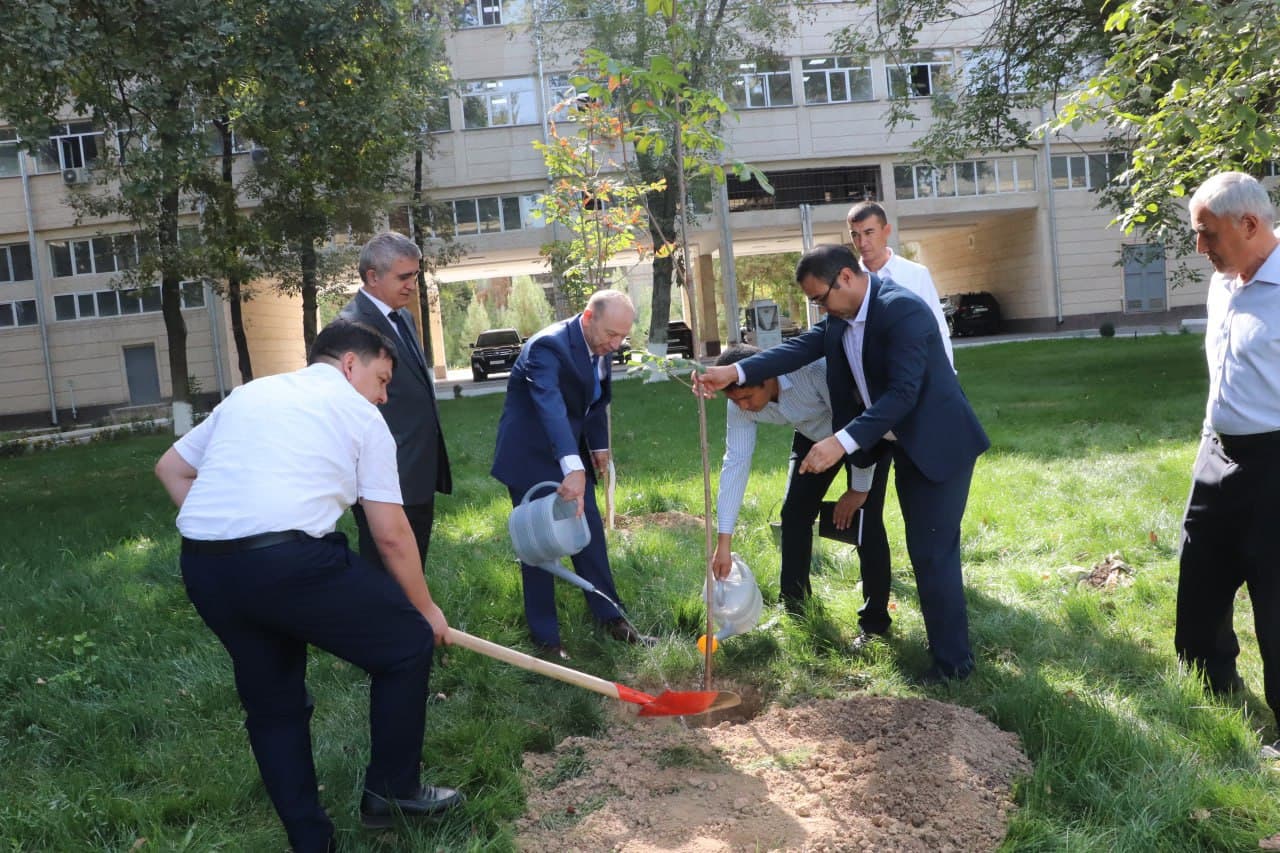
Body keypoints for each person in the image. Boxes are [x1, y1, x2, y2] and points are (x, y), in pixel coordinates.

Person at [154, 320, 463, 853]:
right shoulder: (361, 415)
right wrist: (426, 610)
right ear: (349, 364)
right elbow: (390, 535)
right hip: (291, 563)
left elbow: (170, 469)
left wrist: (231, 526)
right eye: (383, 379)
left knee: (274, 706)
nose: (384, 396)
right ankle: (392, 792)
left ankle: (310, 841)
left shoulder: (251, 394)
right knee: (406, 644)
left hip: (207, 567)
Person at [696, 244, 989, 682]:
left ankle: (953, 666)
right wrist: (733, 374)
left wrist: (841, 443)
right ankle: (947, 653)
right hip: (894, 441)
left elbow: (903, 394)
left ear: (847, 278)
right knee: (924, 550)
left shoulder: (902, 311)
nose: (819, 307)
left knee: (932, 552)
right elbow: (794, 351)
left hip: (936, 443)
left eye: (820, 297)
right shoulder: (840, 320)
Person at [1174, 171, 1280, 754]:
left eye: (1207, 234)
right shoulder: (1224, 283)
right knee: (1199, 587)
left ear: (1249, 223)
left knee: (1276, 601)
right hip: (1217, 454)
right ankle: (1213, 695)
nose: (1200, 248)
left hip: (1276, 463)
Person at [491, 290, 655, 659]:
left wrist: (596, 445)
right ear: (587, 317)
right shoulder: (548, 347)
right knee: (539, 548)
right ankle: (546, 639)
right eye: (611, 335)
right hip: (530, 455)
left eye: (622, 337)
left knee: (590, 535)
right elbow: (548, 404)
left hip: (571, 454)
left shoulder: (600, 346)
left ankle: (610, 618)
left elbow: (595, 399)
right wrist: (573, 466)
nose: (616, 345)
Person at [710, 344, 893, 644]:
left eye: (746, 398)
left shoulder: (814, 371)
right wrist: (724, 540)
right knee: (794, 515)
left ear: (768, 377)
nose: (742, 406)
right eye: (735, 400)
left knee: (866, 523)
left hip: (860, 431)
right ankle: (795, 608)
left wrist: (858, 490)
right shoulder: (739, 404)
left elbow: (857, 424)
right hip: (812, 436)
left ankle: (874, 624)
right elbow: (736, 462)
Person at [340, 231, 451, 571]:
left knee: (413, 566)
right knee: (384, 571)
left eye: (415, 276)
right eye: (403, 277)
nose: (411, 285)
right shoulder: (351, 328)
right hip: (384, 475)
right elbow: (349, 411)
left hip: (416, 467)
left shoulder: (402, 316)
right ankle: (385, 624)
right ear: (372, 276)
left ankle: (412, 621)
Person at [847, 200, 954, 366]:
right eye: (855, 235)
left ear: (886, 230)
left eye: (869, 233)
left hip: (914, 371)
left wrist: (949, 377)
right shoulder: (848, 281)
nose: (862, 242)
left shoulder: (916, 274)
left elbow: (938, 329)